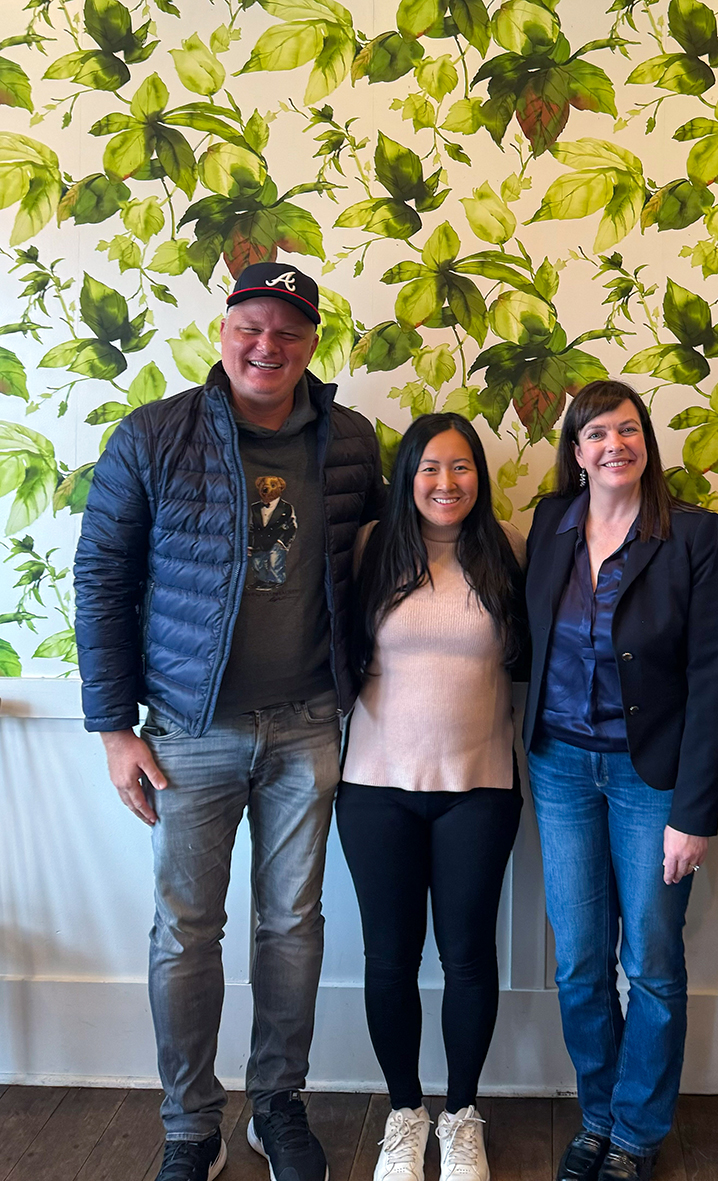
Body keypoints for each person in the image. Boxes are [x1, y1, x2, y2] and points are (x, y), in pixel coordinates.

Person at [74, 261, 384, 1181]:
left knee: (293, 924)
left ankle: (277, 1104)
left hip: (309, 723)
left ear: (312, 344)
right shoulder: (155, 436)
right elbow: (102, 580)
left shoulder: (355, 442)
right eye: (251, 326)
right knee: (185, 929)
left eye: (287, 332)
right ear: (223, 331)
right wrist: (111, 725)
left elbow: (379, 568)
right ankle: (188, 1124)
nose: (267, 346)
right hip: (185, 730)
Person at [522, 381, 718, 1181]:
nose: (616, 443)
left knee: (649, 960)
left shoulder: (693, 535)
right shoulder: (549, 525)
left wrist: (694, 808)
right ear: (575, 453)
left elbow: (713, 677)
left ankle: (638, 1134)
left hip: (654, 779)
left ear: (647, 440)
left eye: (629, 428)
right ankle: (599, 1116)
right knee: (578, 959)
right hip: (560, 766)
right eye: (597, 432)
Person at [335, 413, 525, 1181]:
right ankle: (406, 1113)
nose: (447, 484)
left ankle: (463, 1115)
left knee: (469, 957)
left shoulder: (505, 550)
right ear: (408, 473)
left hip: (479, 790)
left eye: (462, 468)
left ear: (479, 476)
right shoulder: (369, 548)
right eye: (430, 469)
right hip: (375, 790)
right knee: (390, 959)